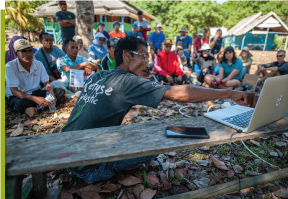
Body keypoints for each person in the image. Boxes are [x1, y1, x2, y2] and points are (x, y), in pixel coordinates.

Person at [61, 36, 256, 184]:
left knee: (138, 131)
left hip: (64, 148)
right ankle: (102, 168)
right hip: (84, 163)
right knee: (157, 143)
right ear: (127, 55)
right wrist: (228, 93)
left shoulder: (100, 75)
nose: (147, 63)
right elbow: (178, 93)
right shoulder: (128, 81)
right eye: (143, 57)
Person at [5, 39, 64, 117]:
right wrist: (35, 99)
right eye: (24, 51)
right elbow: (14, 91)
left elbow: (47, 83)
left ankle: (34, 108)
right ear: (16, 54)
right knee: (20, 103)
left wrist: (51, 93)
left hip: (35, 92)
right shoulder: (10, 66)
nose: (28, 54)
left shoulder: (38, 64)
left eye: (30, 51)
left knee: (59, 91)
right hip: (19, 96)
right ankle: (40, 106)